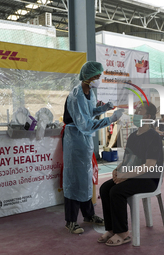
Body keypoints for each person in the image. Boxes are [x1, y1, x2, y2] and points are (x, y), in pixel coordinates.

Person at [63, 61, 124, 234]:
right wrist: (111, 119)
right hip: (75, 140)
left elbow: (88, 112)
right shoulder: (76, 95)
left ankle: (89, 215)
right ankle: (71, 220)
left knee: (85, 179)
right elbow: (85, 125)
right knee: (74, 180)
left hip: (85, 140)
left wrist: (104, 108)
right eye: (97, 76)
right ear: (88, 76)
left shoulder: (89, 91)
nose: (99, 79)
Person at [98, 102, 163, 247]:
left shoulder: (153, 137)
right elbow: (127, 159)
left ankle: (123, 233)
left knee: (116, 191)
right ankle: (111, 229)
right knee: (104, 188)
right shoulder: (133, 136)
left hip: (148, 178)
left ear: (148, 116)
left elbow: (149, 165)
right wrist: (117, 170)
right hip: (132, 175)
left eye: (140, 109)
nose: (135, 111)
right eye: (136, 109)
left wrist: (125, 176)